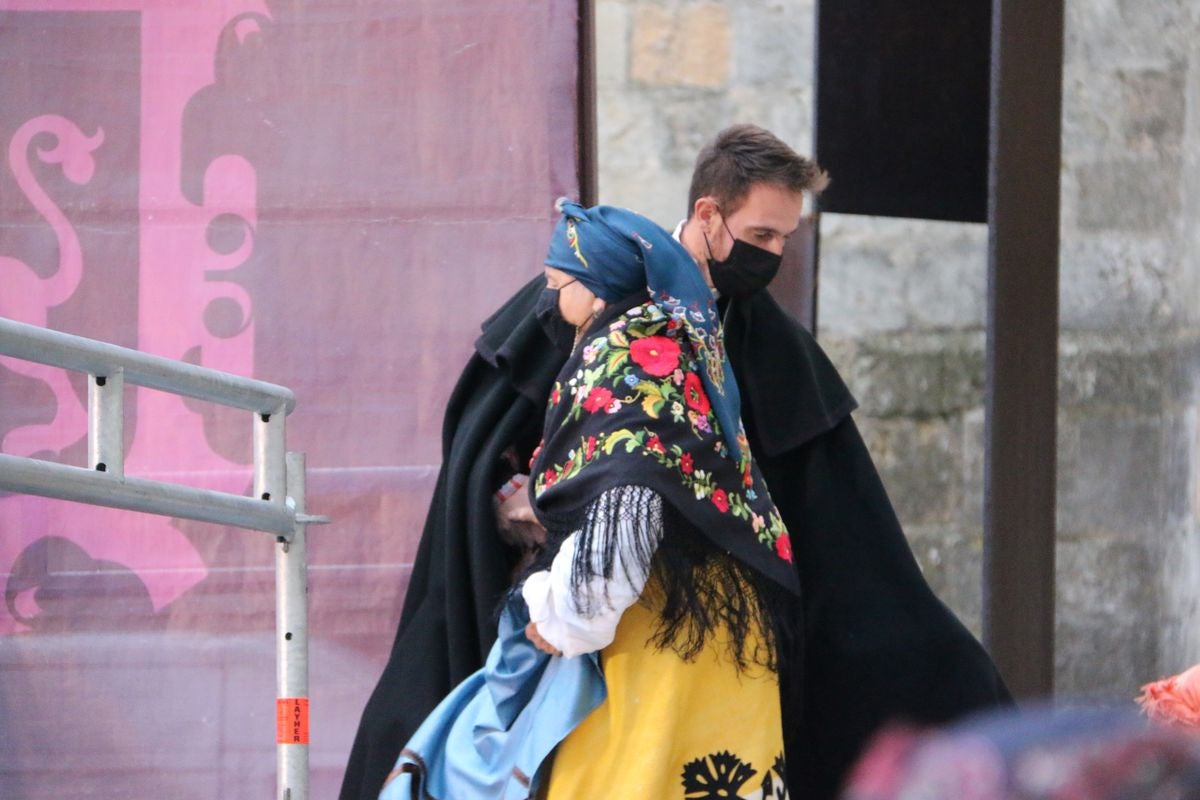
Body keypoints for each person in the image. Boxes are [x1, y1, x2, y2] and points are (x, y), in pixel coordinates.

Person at [341, 124, 1011, 800]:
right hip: (640, 640)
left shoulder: (671, 342)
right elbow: (507, 454)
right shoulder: (620, 313)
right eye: (761, 237)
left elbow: (639, 497)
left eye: (784, 239)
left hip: (647, 640)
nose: (774, 255)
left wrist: (561, 599)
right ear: (706, 213)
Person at [383, 200, 804, 799]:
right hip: (717, 632)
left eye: (559, 282)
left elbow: (628, 505)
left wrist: (558, 613)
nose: (551, 299)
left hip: (659, 644)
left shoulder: (628, 361)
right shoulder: (673, 352)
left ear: (596, 286)